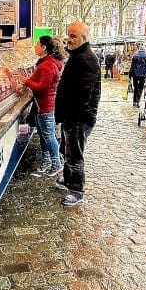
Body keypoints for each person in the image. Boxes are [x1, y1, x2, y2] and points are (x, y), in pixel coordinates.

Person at [54, 21, 101, 207]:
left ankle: (77, 190)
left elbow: (84, 95)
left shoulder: (87, 59)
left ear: (83, 38)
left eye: (73, 36)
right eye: (69, 35)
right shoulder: (77, 56)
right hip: (70, 116)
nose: (69, 39)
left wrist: (70, 117)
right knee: (67, 150)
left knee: (74, 155)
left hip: (79, 118)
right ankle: (67, 180)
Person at [19, 35, 64, 176]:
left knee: (49, 136)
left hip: (46, 107)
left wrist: (25, 81)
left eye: (37, 44)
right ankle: (46, 161)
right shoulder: (46, 63)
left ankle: (56, 164)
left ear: (44, 47)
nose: (35, 47)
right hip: (41, 107)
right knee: (44, 135)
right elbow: (35, 80)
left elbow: (41, 87)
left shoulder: (47, 65)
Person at [129, 42, 146, 106]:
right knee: (140, 88)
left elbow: (132, 66)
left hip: (135, 74)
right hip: (143, 74)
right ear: (144, 49)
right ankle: (137, 102)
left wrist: (130, 75)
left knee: (135, 88)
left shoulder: (135, 55)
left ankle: (134, 102)